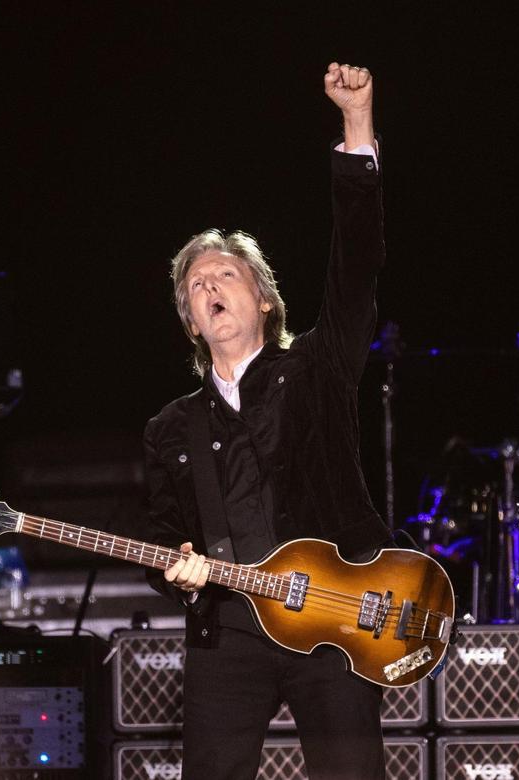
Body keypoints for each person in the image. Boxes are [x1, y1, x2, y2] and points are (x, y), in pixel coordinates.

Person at [140, 62, 392, 779]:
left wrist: (356, 124)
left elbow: (357, 265)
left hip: (335, 621)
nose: (209, 286)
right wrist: (180, 574)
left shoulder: (319, 367)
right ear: (192, 323)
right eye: (196, 286)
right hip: (229, 634)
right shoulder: (169, 430)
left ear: (265, 299)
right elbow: (164, 536)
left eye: (225, 274)